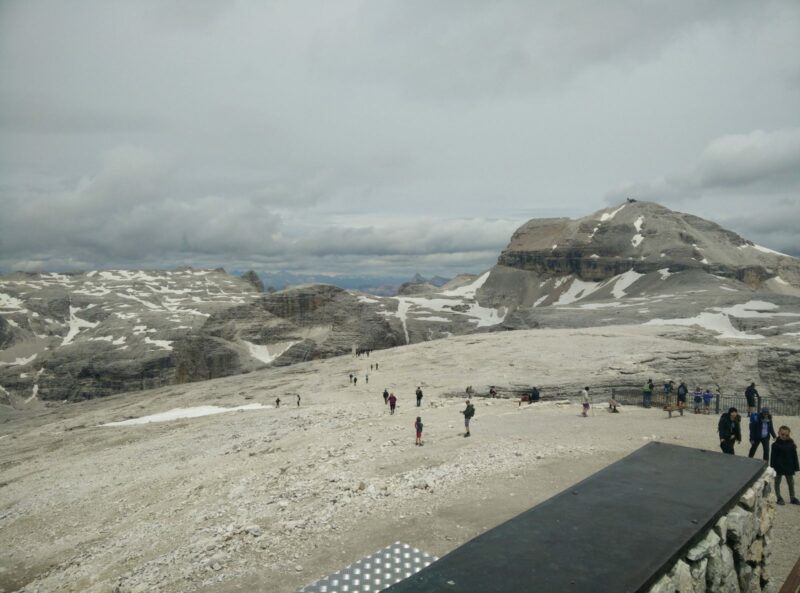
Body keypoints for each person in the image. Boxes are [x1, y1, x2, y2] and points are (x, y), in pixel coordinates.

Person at [771, 426, 800, 505]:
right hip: (778, 467)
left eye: (786, 435)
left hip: (789, 467)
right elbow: (772, 457)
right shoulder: (775, 445)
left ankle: (792, 497)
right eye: (782, 434)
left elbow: (795, 457)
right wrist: (772, 468)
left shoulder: (791, 444)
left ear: (789, 435)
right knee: (777, 482)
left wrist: (796, 467)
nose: (784, 436)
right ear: (779, 433)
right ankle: (779, 497)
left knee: (791, 482)